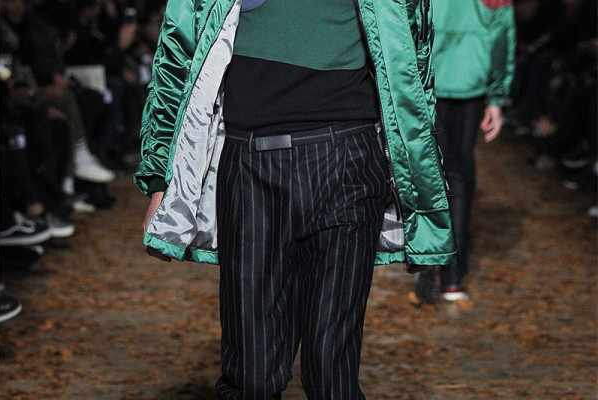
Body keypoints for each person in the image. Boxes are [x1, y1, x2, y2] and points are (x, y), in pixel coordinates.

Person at [136, 0, 456, 398]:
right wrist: (160, 177)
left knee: (332, 373)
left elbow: (414, 57)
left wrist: (420, 204)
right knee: (253, 374)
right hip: (253, 163)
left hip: (348, 158)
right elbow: (179, 45)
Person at [415, 0, 516, 304]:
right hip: (470, 80)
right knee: (457, 174)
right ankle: (452, 278)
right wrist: (496, 96)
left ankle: (425, 256)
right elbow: (501, 36)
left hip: (428, 80)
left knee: (427, 172)